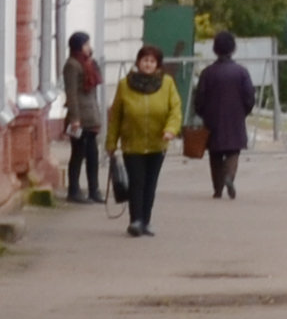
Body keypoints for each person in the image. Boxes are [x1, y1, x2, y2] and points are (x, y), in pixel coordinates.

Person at [104, 42, 185, 234]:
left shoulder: (167, 84)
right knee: (136, 182)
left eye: (152, 61)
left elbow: (175, 110)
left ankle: (146, 221)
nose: (148, 64)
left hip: (157, 143)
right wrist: (111, 142)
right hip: (133, 143)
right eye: (144, 60)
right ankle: (135, 221)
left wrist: (171, 129)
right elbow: (116, 115)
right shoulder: (125, 84)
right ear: (138, 62)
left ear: (157, 65)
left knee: (150, 183)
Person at [194, 32, 260, 200]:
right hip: (235, 117)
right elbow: (249, 96)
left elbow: (199, 97)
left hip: (212, 118)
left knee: (214, 154)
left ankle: (217, 189)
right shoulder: (241, 72)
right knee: (233, 151)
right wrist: (244, 111)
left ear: (215, 49)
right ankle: (229, 177)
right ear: (233, 49)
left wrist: (202, 113)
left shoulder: (207, 73)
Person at [61, 31, 107, 204]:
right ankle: (73, 189)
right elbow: (71, 93)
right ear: (78, 46)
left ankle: (94, 189)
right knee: (78, 153)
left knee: (93, 154)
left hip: (91, 115)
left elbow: (93, 91)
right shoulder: (72, 65)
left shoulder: (90, 63)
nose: (89, 47)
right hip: (79, 117)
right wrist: (74, 118)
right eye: (86, 44)